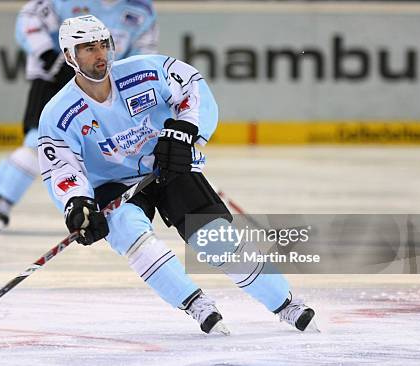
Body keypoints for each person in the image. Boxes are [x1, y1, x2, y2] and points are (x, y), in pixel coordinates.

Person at [37, 15, 317, 334]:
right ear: (69, 55)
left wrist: (184, 131)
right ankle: (195, 303)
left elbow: (192, 86)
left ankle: (285, 303)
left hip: (166, 164)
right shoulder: (58, 114)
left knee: (216, 239)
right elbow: (62, 167)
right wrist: (77, 203)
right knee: (128, 230)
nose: (100, 55)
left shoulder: (145, 71)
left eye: (104, 45)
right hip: (113, 185)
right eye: (88, 48)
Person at [0, 0, 158, 229]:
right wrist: (46, 54)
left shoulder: (142, 9)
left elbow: (142, 54)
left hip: (103, 86)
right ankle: (3, 203)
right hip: (53, 80)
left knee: (45, 147)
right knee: (40, 144)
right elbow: (30, 17)